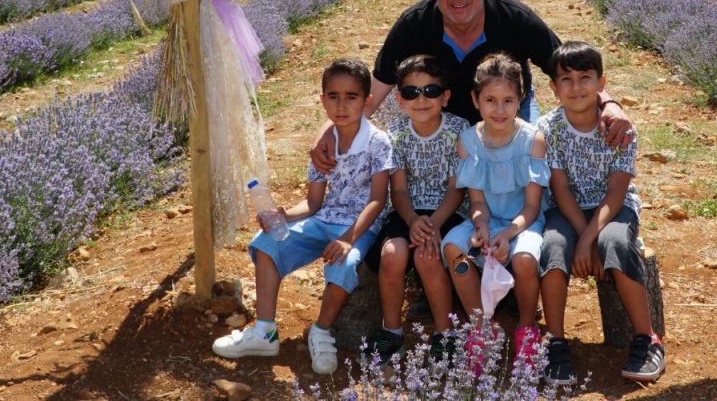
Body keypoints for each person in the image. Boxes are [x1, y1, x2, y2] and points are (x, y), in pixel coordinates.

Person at [312, 0, 633, 172]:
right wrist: (329, 129)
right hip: (440, 115)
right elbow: (375, 91)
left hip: (506, 108)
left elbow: (569, 71)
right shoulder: (414, 25)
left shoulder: (514, 19)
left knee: (530, 162)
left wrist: (611, 104)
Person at [212, 58, 392, 375]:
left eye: (351, 97)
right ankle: (265, 331)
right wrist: (284, 213)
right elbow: (313, 202)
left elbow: (378, 200)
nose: (341, 105)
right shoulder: (324, 146)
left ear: (366, 101)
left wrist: (348, 239)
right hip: (324, 219)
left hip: (359, 226)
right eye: (333, 96)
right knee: (266, 242)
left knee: (344, 262)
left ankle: (321, 330)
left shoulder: (378, 142)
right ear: (322, 101)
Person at [537, 41, 665, 385]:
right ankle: (557, 342)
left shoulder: (619, 128)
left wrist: (590, 238)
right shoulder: (550, 129)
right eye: (566, 79)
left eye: (585, 78)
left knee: (616, 244)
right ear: (553, 87)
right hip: (568, 209)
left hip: (615, 208)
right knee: (552, 248)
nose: (576, 87)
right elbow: (560, 189)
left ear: (602, 82)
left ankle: (647, 338)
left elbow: (616, 192)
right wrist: (581, 239)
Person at [440, 54, 549, 372]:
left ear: (521, 100)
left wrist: (506, 233)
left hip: (522, 222)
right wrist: (481, 227)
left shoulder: (532, 139)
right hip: (489, 220)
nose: (499, 110)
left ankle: (527, 329)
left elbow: (531, 207)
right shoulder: (469, 141)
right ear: (475, 100)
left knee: (525, 259)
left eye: (508, 100)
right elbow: (476, 202)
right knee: (454, 248)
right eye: (490, 100)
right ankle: (480, 327)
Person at [361, 54, 468, 362]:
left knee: (428, 254)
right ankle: (391, 332)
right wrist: (412, 220)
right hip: (407, 212)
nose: (421, 100)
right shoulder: (396, 133)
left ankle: (444, 334)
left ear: (445, 97)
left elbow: (456, 189)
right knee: (392, 255)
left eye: (431, 91)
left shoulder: (458, 131)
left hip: (447, 212)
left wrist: (432, 224)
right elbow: (400, 189)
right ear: (399, 99)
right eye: (411, 92)